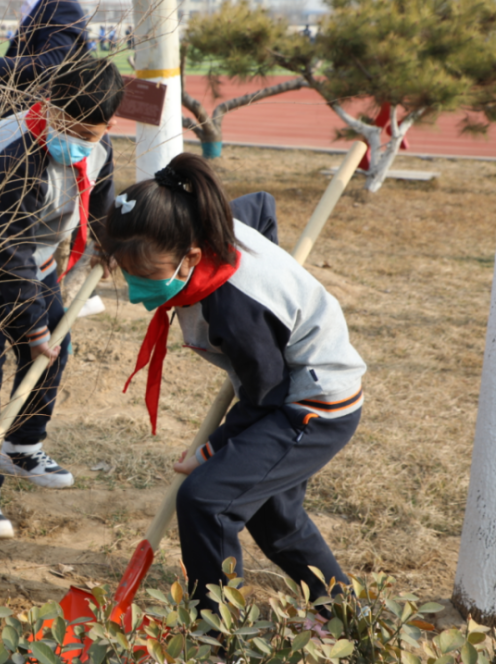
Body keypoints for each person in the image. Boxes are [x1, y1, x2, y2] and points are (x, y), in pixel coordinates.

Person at [100, 154, 366, 612]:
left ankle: (219, 632)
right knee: (275, 520)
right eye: (128, 273)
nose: (135, 286)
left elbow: (267, 395)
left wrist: (213, 448)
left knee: (206, 500)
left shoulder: (237, 311)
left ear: (193, 256)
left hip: (312, 406)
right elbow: (260, 206)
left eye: (146, 276)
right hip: (283, 391)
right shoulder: (208, 221)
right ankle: (346, 611)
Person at [0, 58, 126, 539]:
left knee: (52, 354)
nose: (76, 140)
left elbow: (99, 195)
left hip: (33, 253)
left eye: (89, 132)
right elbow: (7, 247)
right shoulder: (13, 153)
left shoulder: (98, 146)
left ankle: (22, 445)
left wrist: (106, 242)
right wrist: (33, 327)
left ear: (108, 125)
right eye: (66, 126)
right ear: (49, 106)